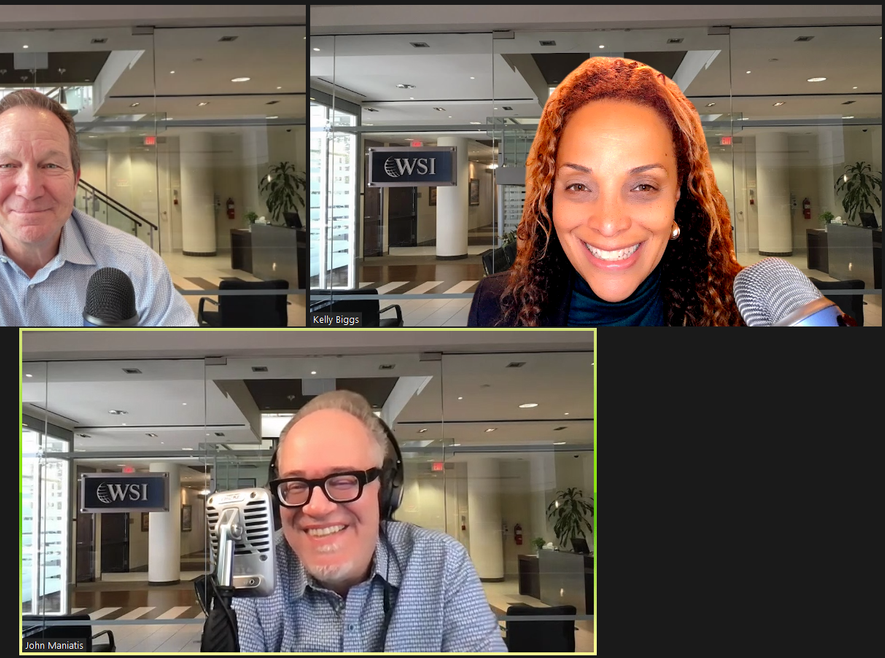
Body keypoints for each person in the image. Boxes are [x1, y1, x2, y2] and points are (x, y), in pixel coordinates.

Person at [469, 57, 743, 326]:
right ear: (551, 196)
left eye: (643, 186)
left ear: (677, 192)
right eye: (578, 186)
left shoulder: (741, 311)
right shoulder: (494, 308)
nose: (609, 224)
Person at [0, 89, 196, 326]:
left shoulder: (136, 265)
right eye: (7, 165)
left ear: (75, 180)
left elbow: (187, 380)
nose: (30, 189)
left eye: (50, 165)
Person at [230, 390, 507, 652]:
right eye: (296, 484)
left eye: (343, 481)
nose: (316, 507)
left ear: (385, 490)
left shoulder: (441, 563)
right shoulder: (255, 577)